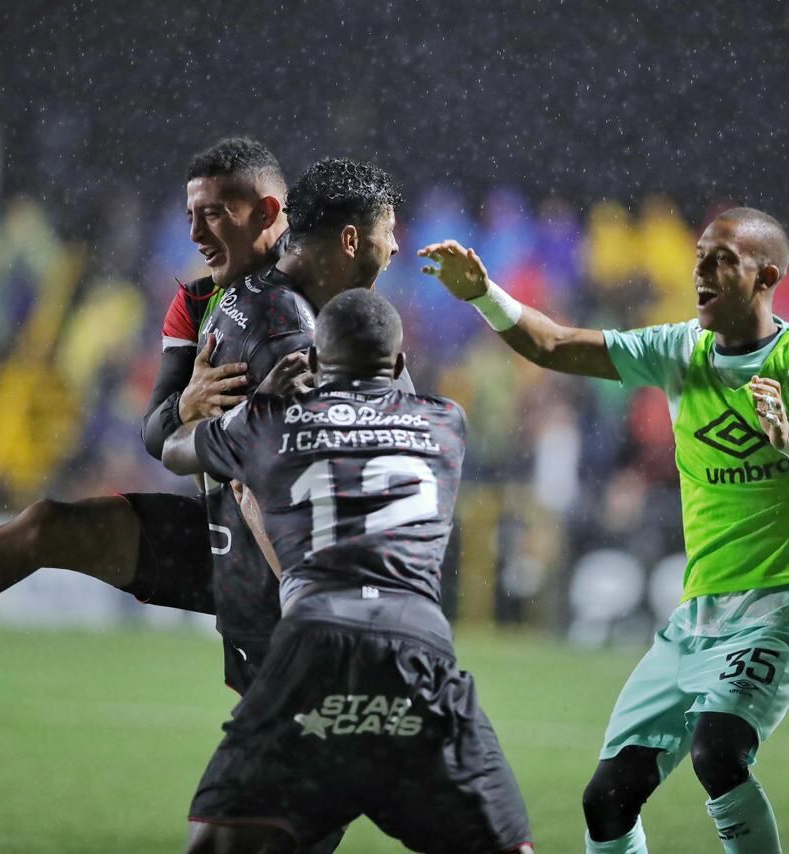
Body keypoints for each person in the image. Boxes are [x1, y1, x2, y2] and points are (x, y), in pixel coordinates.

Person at [419, 206, 789, 854]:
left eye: (723, 262)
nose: (702, 274)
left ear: (767, 274)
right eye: (699, 260)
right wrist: (484, 296)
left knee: (718, 752)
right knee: (607, 800)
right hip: (699, 615)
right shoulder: (678, 350)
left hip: (786, 604)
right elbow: (552, 344)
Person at [0, 136, 289, 693]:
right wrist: (184, 407)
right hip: (227, 535)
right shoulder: (194, 303)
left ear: (266, 212)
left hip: (307, 545)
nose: (195, 235)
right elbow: (156, 433)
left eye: (214, 215)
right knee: (46, 525)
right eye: (191, 216)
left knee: (296, 737)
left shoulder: (313, 294)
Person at [162, 288, 534, 853]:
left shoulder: (271, 421)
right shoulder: (446, 423)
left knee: (219, 842)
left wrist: (253, 402)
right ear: (402, 365)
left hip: (313, 640)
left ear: (311, 363)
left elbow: (174, 450)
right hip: (417, 643)